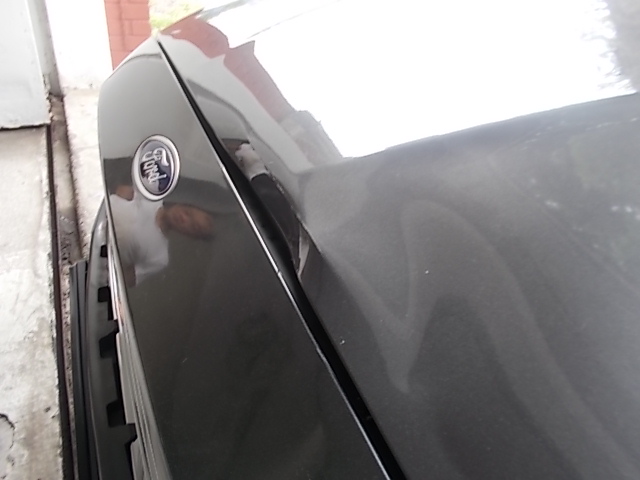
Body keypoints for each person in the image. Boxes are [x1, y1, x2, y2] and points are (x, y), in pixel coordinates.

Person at [110, 184, 215, 286]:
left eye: (192, 226)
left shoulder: (159, 257)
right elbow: (116, 191)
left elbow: (123, 279)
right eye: (187, 212)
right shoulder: (151, 194)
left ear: (190, 236)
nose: (183, 218)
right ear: (183, 204)